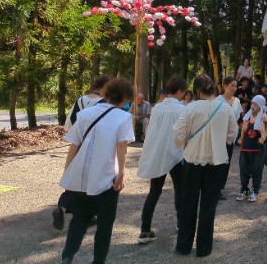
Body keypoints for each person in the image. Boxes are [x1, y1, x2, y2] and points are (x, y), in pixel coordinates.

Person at [59, 77, 135, 264]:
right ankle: (98, 260)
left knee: (79, 220)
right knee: (105, 224)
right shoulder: (124, 117)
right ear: (125, 99)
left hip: (81, 177)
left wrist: (68, 170)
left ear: (106, 93)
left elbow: (74, 144)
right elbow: (121, 147)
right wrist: (121, 175)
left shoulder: (86, 113)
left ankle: (67, 257)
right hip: (106, 177)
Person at [173, 74, 238, 257]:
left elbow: (178, 133)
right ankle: (203, 248)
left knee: (188, 203)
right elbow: (232, 135)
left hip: (193, 160)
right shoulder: (225, 109)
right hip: (216, 161)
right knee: (209, 205)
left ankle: (184, 246)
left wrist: (185, 142)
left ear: (197, 90)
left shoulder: (190, 108)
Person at [54, 74, 113, 231]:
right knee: (93, 179)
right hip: (95, 145)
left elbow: (70, 122)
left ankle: (63, 207)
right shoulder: (104, 103)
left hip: (77, 143)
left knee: (74, 177)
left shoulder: (80, 100)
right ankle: (89, 214)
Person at [136, 76, 188, 243]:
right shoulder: (181, 109)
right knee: (180, 190)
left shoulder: (157, 108)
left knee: (154, 191)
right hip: (176, 154)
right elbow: (184, 134)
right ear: (180, 91)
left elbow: (151, 132)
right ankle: (181, 223)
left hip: (158, 153)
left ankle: (145, 229)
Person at [237, 94, 267, 202]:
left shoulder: (264, 117)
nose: (252, 106)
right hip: (245, 147)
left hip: (257, 148)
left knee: (257, 170)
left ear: (260, 106)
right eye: (252, 104)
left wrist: (262, 139)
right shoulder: (247, 117)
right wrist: (241, 139)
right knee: (243, 170)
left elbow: (266, 132)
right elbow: (243, 131)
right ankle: (244, 190)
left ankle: (256, 190)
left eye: (255, 104)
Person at [217, 76, 242, 200]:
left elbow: (239, 118)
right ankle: (214, 188)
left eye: (235, 86)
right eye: (232, 85)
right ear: (225, 86)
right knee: (218, 162)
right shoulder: (217, 100)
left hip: (231, 136)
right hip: (218, 136)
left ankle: (220, 186)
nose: (234, 88)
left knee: (227, 161)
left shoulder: (237, 101)